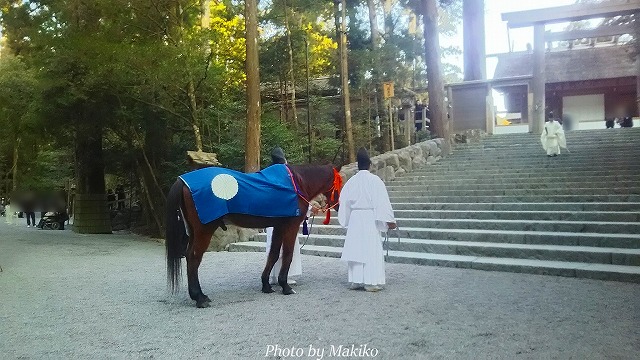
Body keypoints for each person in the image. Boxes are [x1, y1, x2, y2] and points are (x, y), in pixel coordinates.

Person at [338, 147, 396, 292]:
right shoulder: (375, 181)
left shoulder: (351, 182)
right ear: (369, 164)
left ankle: (356, 280)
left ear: (358, 164)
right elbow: (382, 202)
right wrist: (389, 220)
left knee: (356, 248)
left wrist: (346, 220)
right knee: (370, 248)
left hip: (356, 218)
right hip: (370, 218)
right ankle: (371, 281)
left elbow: (343, 203)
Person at [265, 147, 306, 286]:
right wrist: (309, 208)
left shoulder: (267, 175)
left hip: (271, 216)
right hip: (285, 217)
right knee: (287, 246)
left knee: (273, 246)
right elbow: (295, 195)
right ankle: (284, 275)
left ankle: (273, 275)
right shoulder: (287, 175)